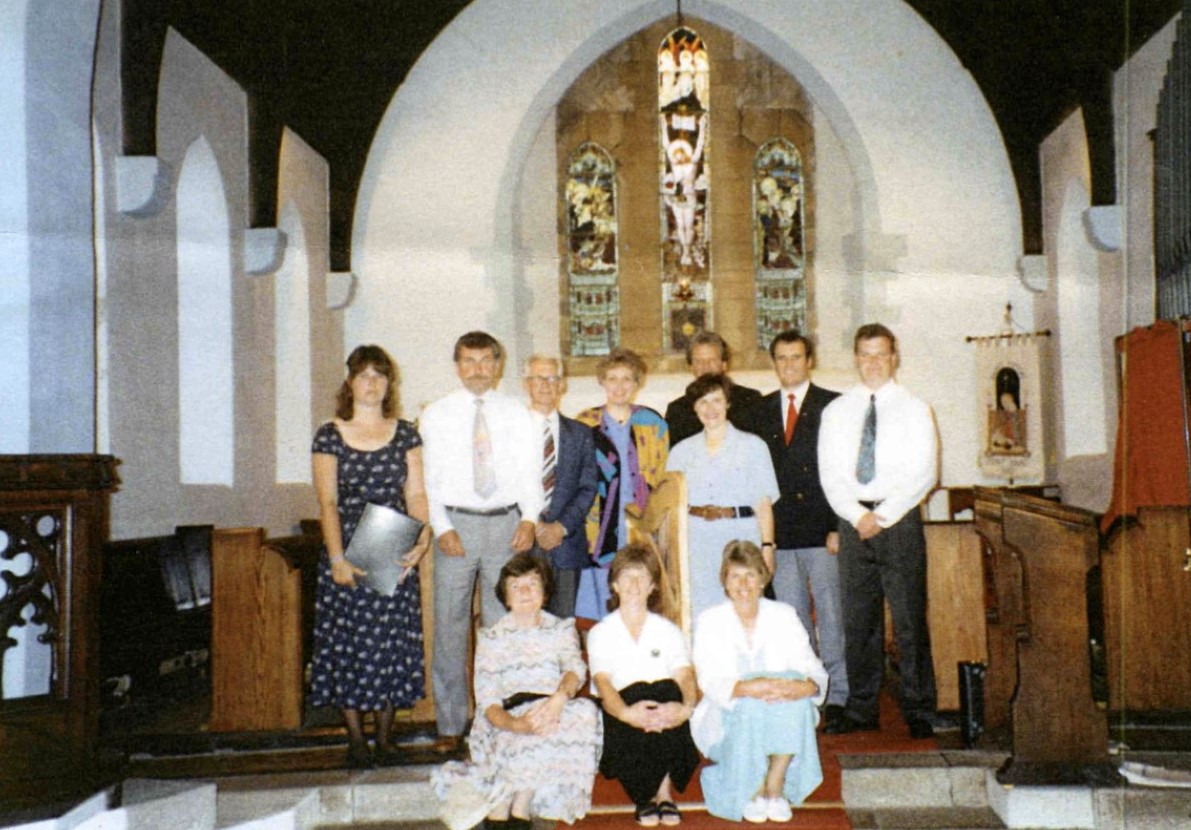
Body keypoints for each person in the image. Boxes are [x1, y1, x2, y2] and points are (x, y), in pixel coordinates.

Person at [421, 331, 545, 750]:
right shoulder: (437, 414)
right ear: (457, 366)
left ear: (498, 364)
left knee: (502, 627)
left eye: (485, 361)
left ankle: (501, 718)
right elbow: (429, 478)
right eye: (468, 361)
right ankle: (451, 724)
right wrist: (442, 527)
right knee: (450, 625)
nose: (477, 369)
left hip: (506, 525)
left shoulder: (518, 413)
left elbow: (531, 473)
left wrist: (529, 518)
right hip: (457, 524)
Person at [310, 344, 432, 768]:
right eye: (364, 375)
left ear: (389, 383)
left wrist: (423, 536)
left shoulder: (406, 432)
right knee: (350, 645)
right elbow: (326, 502)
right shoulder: (330, 434)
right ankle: (356, 741)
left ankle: (385, 737)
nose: (372, 383)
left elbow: (415, 492)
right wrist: (337, 559)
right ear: (350, 382)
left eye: (380, 375)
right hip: (347, 546)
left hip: (393, 543)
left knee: (391, 643)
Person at [818, 323, 939, 739]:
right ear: (855, 357)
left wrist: (882, 516)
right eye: (865, 354)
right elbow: (829, 474)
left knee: (908, 618)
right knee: (859, 620)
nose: (873, 362)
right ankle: (862, 707)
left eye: (881, 354)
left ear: (894, 357)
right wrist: (856, 516)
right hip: (853, 523)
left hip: (899, 520)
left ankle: (919, 708)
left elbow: (924, 472)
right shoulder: (837, 412)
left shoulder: (915, 407)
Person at [431, 553, 602, 829]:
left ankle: (517, 806)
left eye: (533, 584)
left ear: (544, 592)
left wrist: (559, 698)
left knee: (585, 713)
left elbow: (574, 669)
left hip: (549, 709)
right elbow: (488, 702)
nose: (525, 592)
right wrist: (516, 725)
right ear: (505, 597)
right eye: (516, 586)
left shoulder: (560, 629)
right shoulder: (493, 637)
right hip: (504, 717)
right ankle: (506, 809)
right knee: (524, 737)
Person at [738, 331, 848, 733]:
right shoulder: (758, 411)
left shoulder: (834, 405)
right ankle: (809, 694)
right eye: (781, 358)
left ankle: (837, 695)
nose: (789, 365)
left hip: (823, 531)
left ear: (809, 360)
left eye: (796, 357)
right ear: (774, 363)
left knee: (832, 616)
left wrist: (839, 526)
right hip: (780, 535)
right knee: (794, 621)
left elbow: (843, 471)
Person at [691, 541, 827, 822]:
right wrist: (745, 688)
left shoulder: (784, 615)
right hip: (729, 715)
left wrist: (806, 686)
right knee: (751, 703)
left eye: (750, 574)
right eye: (735, 576)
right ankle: (752, 791)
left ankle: (774, 787)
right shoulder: (710, 620)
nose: (743, 584)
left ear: (762, 579)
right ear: (725, 581)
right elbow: (708, 678)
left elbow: (810, 667)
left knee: (795, 694)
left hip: (780, 712)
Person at [586, 545, 699, 827]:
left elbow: (685, 675)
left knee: (665, 690)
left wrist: (685, 707)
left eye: (642, 577)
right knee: (638, 693)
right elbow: (603, 685)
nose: (634, 584)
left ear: (652, 586)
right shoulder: (601, 632)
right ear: (614, 584)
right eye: (627, 576)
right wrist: (626, 713)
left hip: (665, 709)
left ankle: (663, 793)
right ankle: (644, 797)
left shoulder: (668, 630)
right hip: (622, 712)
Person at [667, 373, 778, 620]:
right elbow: (671, 509)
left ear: (728, 403)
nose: (710, 409)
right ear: (694, 407)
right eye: (703, 402)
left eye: (716, 400)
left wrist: (767, 547)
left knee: (743, 610)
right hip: (696, 542)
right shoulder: (680, 452)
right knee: (700, 612)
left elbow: (763, 504)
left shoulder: (754, 446)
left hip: (741, 537)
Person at [574, 348, 669, 620]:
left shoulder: (652, 422)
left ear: (637, 383)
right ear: (602, 382)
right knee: (601, 602)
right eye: (612, 378)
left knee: (642, 591)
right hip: (598, 524)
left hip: (641, 522)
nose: (619, 386)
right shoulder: (584, 422)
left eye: (627, 378)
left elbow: (663, 477)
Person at [522, 355, 598, 617]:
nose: (545, 384)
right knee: (524, 624)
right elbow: (506, 485)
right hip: (522, 541)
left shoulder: (580, 433)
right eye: (538, 378)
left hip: (567, 544)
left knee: (563, 626)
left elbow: (588, 487)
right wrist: (535, 524)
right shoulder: (510, 430)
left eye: (552, 378)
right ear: (526, 384)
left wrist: (560, 527)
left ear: (561, 384)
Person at [664, 331, 762, 447]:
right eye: (699, 361)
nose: (706, 366)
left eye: (712, 360)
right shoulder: (677, 410)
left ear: (724, 364)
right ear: (691, 366)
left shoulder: (749, 401)